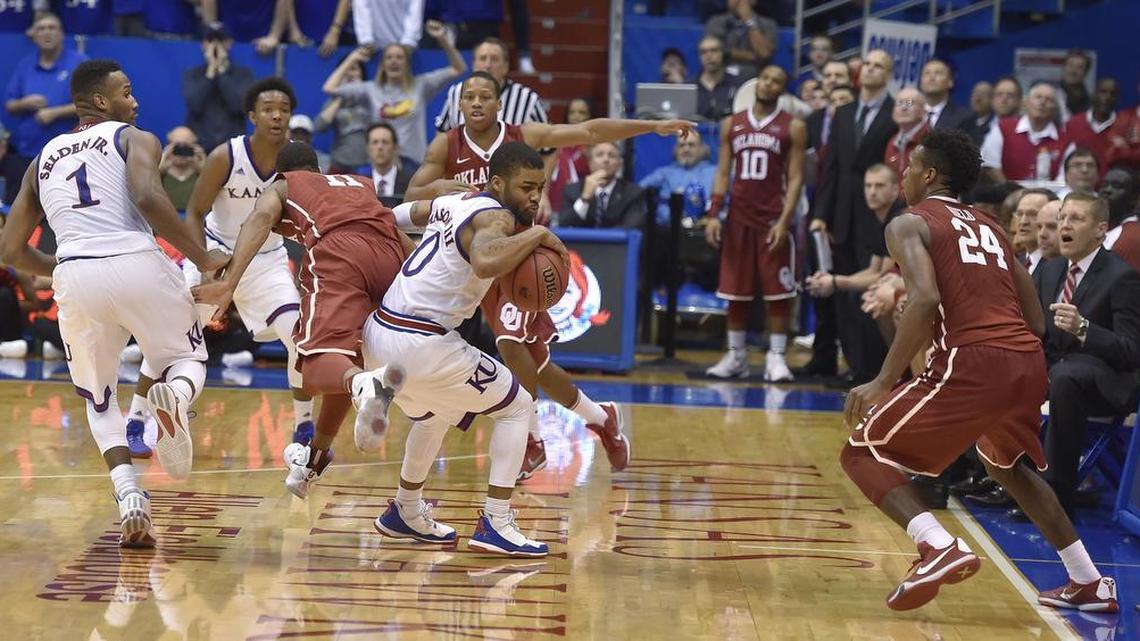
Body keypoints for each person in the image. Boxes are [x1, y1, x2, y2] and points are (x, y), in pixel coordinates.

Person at [840, 129, 1119, 613]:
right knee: (1007, 466)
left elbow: (924, 297)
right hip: (1026, 361)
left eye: (908, 167)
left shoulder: (909, 223)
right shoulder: (990, 224)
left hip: (973, 360)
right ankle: (1088, 580)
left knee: (862, 451)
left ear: (928, 174)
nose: (903, 174)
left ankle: (937, 546)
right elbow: (1035, 318)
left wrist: (884, 380)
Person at [405, 72, 689, 479]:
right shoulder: (446, 144)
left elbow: (590, 131)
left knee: (509, 343)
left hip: (519, 255)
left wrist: (653, 126)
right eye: (470, 97)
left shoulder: (523, 134)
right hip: (473, 259)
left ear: (499, 104)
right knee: (535, 363)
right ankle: (601, 417)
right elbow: (413, 193)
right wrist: (442, 186)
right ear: (459, 105)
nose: (478, 103)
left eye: (486, 96)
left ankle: (531, 442)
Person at [0, 59, 229, 547]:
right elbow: (147, 196)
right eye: (127, 91)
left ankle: (130, 497)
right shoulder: (134, 137)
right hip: (133, 258)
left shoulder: (41, 158)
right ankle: (174, 401)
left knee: (99, 396)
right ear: (102, 101)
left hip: (74, 275)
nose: (136, 101)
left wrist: (63, 266)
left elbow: (11, 251)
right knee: (186, 357)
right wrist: (201, 255)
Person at [364, 141, 566, 555]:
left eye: (540, 187)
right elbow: (486, 263)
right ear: (497, 182)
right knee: (517, 407)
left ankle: (404, 510)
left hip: (380, 332)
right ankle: (497, 521)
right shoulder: (496, 217)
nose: (534, 196)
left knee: (436, 415)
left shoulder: (452, 200)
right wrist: (540, 234)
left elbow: (393, 216)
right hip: (423, 342)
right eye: (526, 186)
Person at [193, 141, 413, 498]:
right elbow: (395, 234)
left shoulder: (285, 185)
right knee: (346, 360)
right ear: (319, 170)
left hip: (341, 254)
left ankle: (365, 385)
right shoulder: (358, 184)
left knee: (310, 364)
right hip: (389, 257)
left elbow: (261, 217)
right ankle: (314, 459)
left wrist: (229, 283)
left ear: (284, 173)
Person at [175, 77, 314, 445]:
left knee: (299, 336)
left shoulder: (298, 161)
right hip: (216, 252)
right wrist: (204, 262)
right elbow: (193, 211)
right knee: (174, 338)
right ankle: (143, 416)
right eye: (269, 109)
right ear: (252, 115)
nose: (277, 116)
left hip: (266, 261)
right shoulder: (227, 155)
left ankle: (303, 425)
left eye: (284, 110)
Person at [1029, 193, 1140, 517]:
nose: (1065, 224)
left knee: (1065, 377)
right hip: (1059, 371)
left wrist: (1084, 328)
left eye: (1075, 219)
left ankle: (1054, 496)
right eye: (1063, 217)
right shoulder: (1050, 270)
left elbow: (1131, 351)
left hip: (1107, 382)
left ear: (1100, 230)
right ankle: (993, 473)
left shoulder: (1122, 277)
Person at [703, 64, 807, 382]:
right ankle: (736, 357)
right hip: (737, 217)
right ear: (756, 83)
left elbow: (796, 177)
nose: (768, 84)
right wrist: (713, 213)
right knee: (736, 291)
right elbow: (722, 172)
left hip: (773, 218)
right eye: (765, 78)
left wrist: (785, 221)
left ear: (782, 90)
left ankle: (776, 357)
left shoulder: (793, 127)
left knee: (778, 292)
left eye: (776, 80)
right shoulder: (730, 124)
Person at [808, 49, 898, 385]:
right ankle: (850, 364)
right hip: (841, 215)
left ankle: (870, 368)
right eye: (868, 64)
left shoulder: (893, 114)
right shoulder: (843, 112)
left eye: (879, 65)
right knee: (843, 295)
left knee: (870, 287)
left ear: (888, 74)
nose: (871, 69)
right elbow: (829, 168)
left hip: (876, 212)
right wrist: (820, 213)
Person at [322, 20, 466, 164]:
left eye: (399, 57)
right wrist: (352, 58)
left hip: (414, 163)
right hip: (382, 164)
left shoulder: (421, 85)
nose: (394, 61)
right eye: (389, 57)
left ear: (407, 63)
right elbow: (329, 88)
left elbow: (458, 68)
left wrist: (442, 39)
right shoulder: (370, 89)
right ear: (383, 65)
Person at [4, 13, 86, 166]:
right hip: (28, 155)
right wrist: (23, 104)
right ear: (34, 36)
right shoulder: (25, 65)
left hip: (68, 156)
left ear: (61, 34)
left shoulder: (79, 63)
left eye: (52, 28)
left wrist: (56, 113)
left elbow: (93, 103)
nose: (47, 32)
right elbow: (9, 105)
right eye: (41, 29)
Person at [181, 22, 254, 152]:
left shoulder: (244, 75)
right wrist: (210, 73)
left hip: (233, 148)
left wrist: (221, 72)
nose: (215, 46)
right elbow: (194, 105)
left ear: (229, 44)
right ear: (202, 45)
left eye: (220, 40)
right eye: (210, 40)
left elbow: (238, 106)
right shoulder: (192, 74)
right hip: (200, 146)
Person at [981, 82, 1067, 182]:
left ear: (1055, 108)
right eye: (1038, 97)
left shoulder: (1065, 138)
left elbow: (1063, 178)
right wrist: (1010, 191)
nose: (1042, 102)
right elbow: (990, 165)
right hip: (1005, 193)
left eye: (1049, 100)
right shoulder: (1003, 128)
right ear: (1026, 102)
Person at [558, 142, 646, 229]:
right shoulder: (572, 190)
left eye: (612, 156)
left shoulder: (633, 193)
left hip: (615, 243)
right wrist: (584, 199)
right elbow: (564, 224)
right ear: (590, 162)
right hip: (579, 243)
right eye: (600, 155)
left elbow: (631, 227)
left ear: (619, 164)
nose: (606, 160)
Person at [639, 132, 717, 226]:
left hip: (706, 227)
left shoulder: (715, 172)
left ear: (702, 149)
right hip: (669, 228)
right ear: (675, 149)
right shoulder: (664, 173)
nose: (686, 149)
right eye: (681, 145)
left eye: (691, 145)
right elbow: (636, 192)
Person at [315, 52, 370, 174]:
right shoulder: (334, 100)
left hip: (369, 164)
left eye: (354, 69)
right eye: (346, 70)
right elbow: (319, 126)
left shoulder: (372, 96)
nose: (350, 74)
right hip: (340, 164)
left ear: (362, 73)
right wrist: (341, 97)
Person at [704, 0, 777, 80]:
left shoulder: (768, 24)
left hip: (754, 77)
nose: (738, 1)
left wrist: (749, 21)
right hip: (721, 75)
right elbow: (717, 51)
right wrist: (752, 57)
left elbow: (764, 54)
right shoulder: (716, 22)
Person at [1062, 78, 1118, 177]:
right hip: (1078, 187)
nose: (1107, 97)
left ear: (1117, 99)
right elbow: (1064, 159)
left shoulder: (1122, 125)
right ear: (1093, 94)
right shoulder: (1073, 123)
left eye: (1112, 94)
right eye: (1103, 92)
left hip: (1111, 188)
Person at [549, 97, 592, 211]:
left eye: (582, 112)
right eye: (572, 112)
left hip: (582, 198)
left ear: (590, 116)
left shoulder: (593, 146)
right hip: (555, 197)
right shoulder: (556, 142)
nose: (576, 116)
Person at [357, 123, 413, 198]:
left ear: (395, 147)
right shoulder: (359, 183)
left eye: (385, 142)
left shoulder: (410, 182)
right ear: (367, 148)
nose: (380, 147)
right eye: (375, 142)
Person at [883, 87, 928, 178]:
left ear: (923, 110)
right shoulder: (891, 141)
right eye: (899, 103)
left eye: (909, 103)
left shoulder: (929, 140)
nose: (903, 108)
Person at [159, 126, 206, 211]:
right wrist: (161, 166)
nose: (181, 151)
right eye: (177, 147)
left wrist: (204, 168)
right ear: (169, 147)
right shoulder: (160, 173)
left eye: (186, 146)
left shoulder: (200, 172)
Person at [918, 59, 972, 132]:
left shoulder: (964, 117)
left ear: (950, 82)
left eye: (938, 73)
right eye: (927, 73)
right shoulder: (908, 110)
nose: (931, 78)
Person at [1012, 188, 1058, 273]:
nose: (1023, 221)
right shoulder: (1012, 262)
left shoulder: (1061, 265)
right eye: (1019, 214)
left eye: (1033, 214)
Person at [694, 35, 739, 121]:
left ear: (722, 54)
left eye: (713, 51)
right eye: (703, 52)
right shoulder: (690, 85)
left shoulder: (736, 84)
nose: (708, 56)